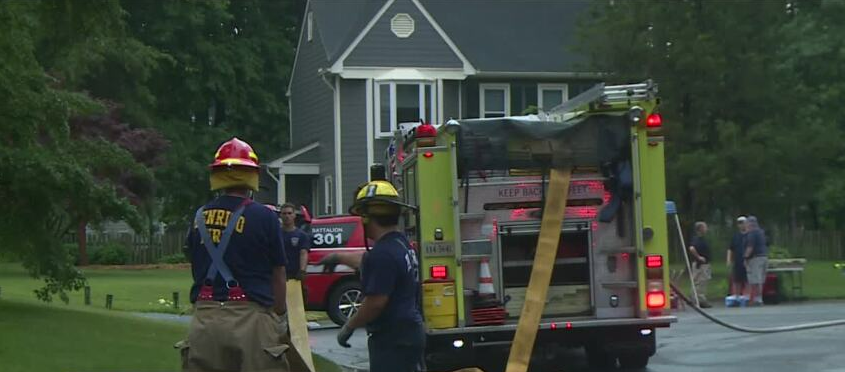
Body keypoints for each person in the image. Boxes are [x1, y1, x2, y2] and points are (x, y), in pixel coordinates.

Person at [177, 137, 292, 372]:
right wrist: (278, 315)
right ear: (252, 176)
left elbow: (195, 263)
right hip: (251, 318)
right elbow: (278, 273)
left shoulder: (198, 218)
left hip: (205, 319)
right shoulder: (266, 217)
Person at [334, 180, 424, 372]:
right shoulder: (401, 244)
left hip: (392, 340)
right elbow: (370, 262)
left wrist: (349, 327)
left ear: (366, 217)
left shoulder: (382, 253)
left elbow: (375, 302)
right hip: (409, 334)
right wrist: (339, 257)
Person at [744, 216, 768, 306]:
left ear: (750, 224)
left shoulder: (752, 233)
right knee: (760, 279)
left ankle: (756, 299)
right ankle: (759, 298)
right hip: (764, 257)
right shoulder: (761, 232)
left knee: (755, 279)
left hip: (755, 258)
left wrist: (745, 257)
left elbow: (750, 247)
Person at [688, 221, 713, 308]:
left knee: (698, 282)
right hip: (701, 265)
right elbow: (691, 248)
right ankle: (700, 300)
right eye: (705, 227)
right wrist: (699, 257)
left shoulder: (701, 239)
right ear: (700, 229)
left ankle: (694, 298)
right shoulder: (697, 239)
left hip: (702, 264)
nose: (706, 229)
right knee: (701, 282)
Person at [726, 216, 749, 307]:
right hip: (737, 260)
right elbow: (730, 249)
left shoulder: (750, 235)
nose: (741, 225)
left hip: (748, 261)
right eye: (739, 223)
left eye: (743, 223)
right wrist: (728, 260)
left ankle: (746, 297)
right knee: (737, 280)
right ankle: (737, 297)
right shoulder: (736, 236)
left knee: (747, 279)